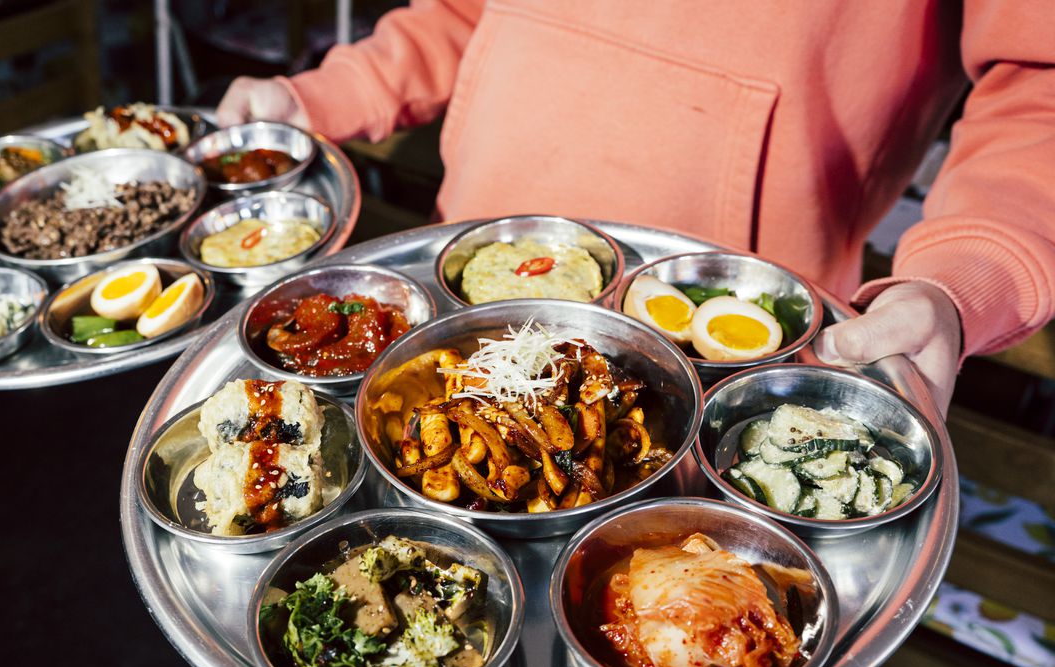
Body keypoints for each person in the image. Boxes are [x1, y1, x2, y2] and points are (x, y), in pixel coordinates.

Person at [218, 0, 1055, 415]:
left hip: (719, 333)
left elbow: (1038, 83)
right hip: (472, 277)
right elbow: (464, 11)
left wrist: (964, 276)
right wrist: (323, 98)